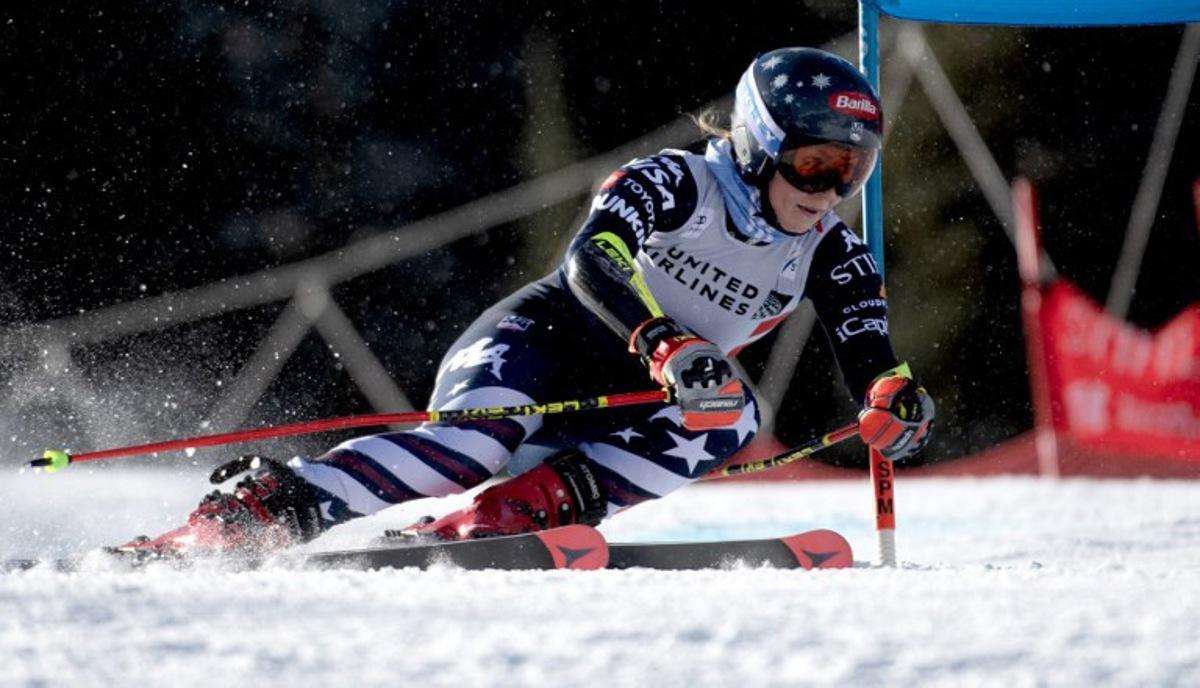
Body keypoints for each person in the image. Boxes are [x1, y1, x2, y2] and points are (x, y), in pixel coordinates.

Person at [141, 47, 935, 555]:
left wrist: (893, 396)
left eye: (852, 173)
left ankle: (518, 515)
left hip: (626, 403)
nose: (830, 191)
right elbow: (592, 260)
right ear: (762, 143)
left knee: (729, 412)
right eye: (815, 164)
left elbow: (868, 347)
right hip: (538, 345)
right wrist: (665, 342)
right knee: (468, 451)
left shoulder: (831, 249)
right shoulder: (677, 183)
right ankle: (261, 511)